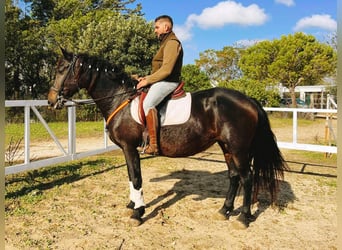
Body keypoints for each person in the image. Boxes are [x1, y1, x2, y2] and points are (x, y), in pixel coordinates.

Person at [136, 15, 183, 155]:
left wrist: (148, 80)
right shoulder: (165, 42)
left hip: (168, 82)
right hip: (161, 80)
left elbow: (167, 69)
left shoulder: (172, 42)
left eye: (157, 27)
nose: (155, 30)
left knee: (148, 104)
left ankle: (154, 145)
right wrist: (147, 78)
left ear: (166, 27)